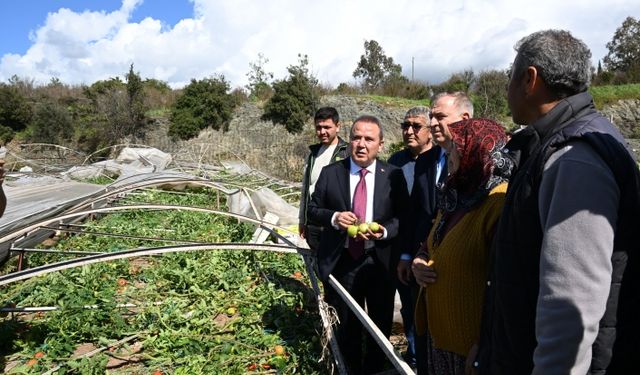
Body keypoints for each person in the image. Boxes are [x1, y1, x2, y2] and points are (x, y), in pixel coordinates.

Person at [476, 30, 640, 375]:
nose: (507, 87)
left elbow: (570, 307)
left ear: (530, 79)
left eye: (510, 76)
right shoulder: (557, 145)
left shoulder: (573, 159)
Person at [308, 115, 409, 374]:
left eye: (369, 139)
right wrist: (334, 218)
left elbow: (403, 216)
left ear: (381, 144)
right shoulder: (332, 173)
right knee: (346, 323)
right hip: (343, 260)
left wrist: (385, 231)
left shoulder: (393, 176)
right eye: (356, 137)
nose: (361, 144)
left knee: (379, 321)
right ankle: (349, 367)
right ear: (349, 140)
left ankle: (375, 367)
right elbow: (313, 209)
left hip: (380, 261)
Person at [411, 118, 509, 375]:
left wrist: (485, 344)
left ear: (476, 152)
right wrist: (420, 259)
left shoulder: (498, 203)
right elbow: (434, 243)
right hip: (441, 337)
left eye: (456, 148)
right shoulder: (458, 195)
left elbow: (505, 285)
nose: (450, 155)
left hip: (471, 348)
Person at [388, 106, 443, 369]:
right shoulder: (396, 163)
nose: (409, 131)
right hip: (405, 253)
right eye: (405, 125)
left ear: (430, 130)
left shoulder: (441, 159)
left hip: (437, 253)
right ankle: (415, 362)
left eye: (416, 126)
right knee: (411, 314)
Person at [299, 107, 349, 251]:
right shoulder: (313, 154)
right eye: (318, 127)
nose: (322, 132)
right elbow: (306, 189)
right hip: (314, 223)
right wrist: (303, 220)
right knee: (316, 265)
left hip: (336, 224)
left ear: (338, 127)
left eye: (327, 127)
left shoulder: (347, 153)